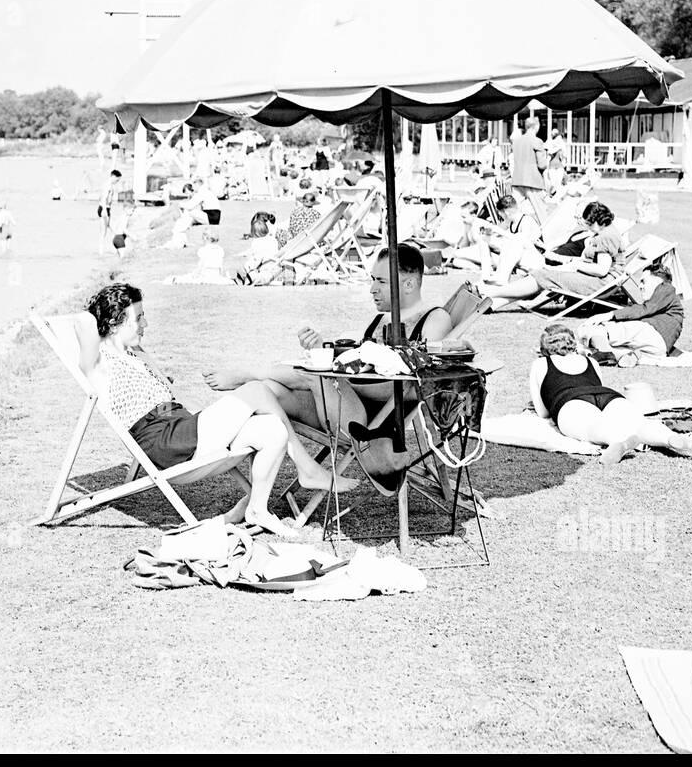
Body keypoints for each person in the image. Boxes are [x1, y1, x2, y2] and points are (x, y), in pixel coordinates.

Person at [85, 284, 358, 536]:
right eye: (138, 317)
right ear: (114, 322)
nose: (146, 323)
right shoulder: (100, 362)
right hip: (167, 443)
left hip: (181, 426)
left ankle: (257, 509)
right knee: (255, 389)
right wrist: (98, 316)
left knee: (271, 429)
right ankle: (306, 467)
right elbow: (84, 327)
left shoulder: (135, 353)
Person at [205, 245, 453, 492]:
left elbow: (412, 383)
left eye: (381, 281)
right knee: (265, 390)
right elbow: (361, 362)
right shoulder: (382, 320)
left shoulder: (434, 319)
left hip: (371, 423)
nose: (372, 289)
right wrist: (325, 347)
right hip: (343, 404)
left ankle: (250, 372)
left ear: (408, 285)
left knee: (317, 376)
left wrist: (337, 371)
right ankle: (299, 473)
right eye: (372, 280)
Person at [528, 325, 692, 464]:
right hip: (608, 396)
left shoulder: (541, 364)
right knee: (640, 423)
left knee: (591, 427)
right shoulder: (589, 361)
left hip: (570, 400)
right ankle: (673, 439)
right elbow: (597, 385)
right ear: (572, 343)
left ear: (544, 349)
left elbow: (543, 412)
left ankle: (618, 441)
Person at [481, 201, 628, 310]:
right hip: (599, 281)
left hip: (600, 284)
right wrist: (572, 263)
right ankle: (493, 304)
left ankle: (489, 292)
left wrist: (576, 265)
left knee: (544, 275)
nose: (588, 227)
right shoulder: (609, 232)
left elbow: (601, 270)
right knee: (543, 274)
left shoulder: (605, 237)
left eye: (589, 224)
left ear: (597, 221)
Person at [578, 261, 683, 367]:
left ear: (658, 280)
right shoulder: (665, 300)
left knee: (598, 328)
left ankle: (604, 352)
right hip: (656, 349)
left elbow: (643, 309)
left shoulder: (666, 288)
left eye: (643, 281)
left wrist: (608, 315)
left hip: (652, 334)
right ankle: (626, 355)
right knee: (608, 342)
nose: (640, 286)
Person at [508, 116, 546, 203]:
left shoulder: (516, 142)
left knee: (519, 209)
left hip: (517, 179)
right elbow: (542, 165)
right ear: (536, 127)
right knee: (539, 210)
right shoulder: (537, 141)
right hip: (532, 180)